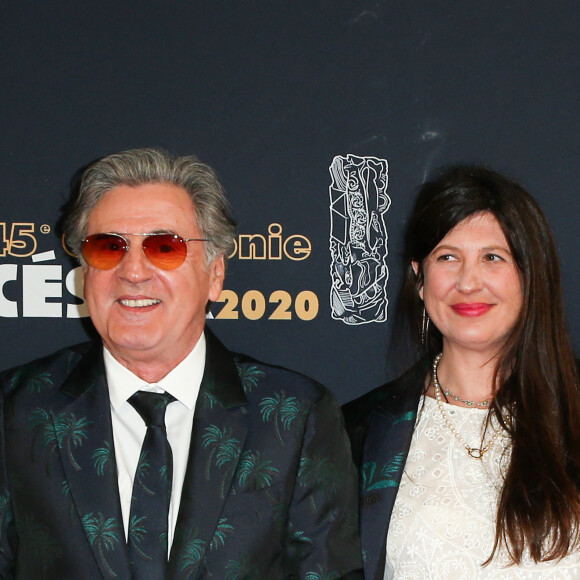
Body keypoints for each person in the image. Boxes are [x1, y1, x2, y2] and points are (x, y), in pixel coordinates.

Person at [0, 148, 363, 579]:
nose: (133, 270)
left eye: (164, 247)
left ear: (215, 275)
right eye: (108, 247)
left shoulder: (294, 415)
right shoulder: (16, 409)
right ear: (83, 271)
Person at [343, 166, 580, 579]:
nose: (469, 282)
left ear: (530, 274)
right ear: (419, 278)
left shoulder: (573, 411)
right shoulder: (359, 434)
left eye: (492, 258)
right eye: (448, 257)